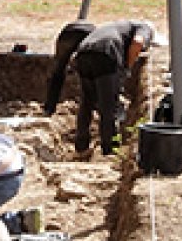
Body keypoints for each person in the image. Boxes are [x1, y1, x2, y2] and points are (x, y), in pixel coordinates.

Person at [72, 19, 155, 155]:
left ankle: (81, 146)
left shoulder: (117, 25)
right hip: (106, 52)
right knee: (108, 106)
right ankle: (109, 149)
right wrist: (128, 66)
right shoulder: (144, 27)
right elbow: (138, 43)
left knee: (87, 102)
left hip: (83, 53)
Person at [42, 20, 95, 115]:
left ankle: (49, 107)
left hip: (67, 34)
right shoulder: (98, 35)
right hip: (88, 35)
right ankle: (92, 106)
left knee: (58, 71)